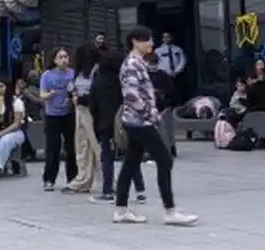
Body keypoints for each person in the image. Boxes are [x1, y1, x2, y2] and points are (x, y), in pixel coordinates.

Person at [115, 26, 197, 226]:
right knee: (164, 160)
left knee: (131, 163)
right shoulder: (133, 64)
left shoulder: (136, 63)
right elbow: (132, 95)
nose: (152, 44)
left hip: (135, 120)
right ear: (135, 41)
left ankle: (121, 209)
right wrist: (150, 114)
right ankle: (170, 211)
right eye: (148, 40)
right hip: (140, 121)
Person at [89, 50, 147, 204]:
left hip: (105, 124)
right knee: (131, 155)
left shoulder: (98, 82)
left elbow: (93, 106)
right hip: (127, 121)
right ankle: (140, 190)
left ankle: (108, 190)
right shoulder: (125, 81)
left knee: (107, 157)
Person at [39, 47, 77, 191]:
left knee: (71, 148)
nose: (64, 60)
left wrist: (72, 97)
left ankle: (72, 177)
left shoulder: (72, 74)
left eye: (66, 56)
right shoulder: (47, 75)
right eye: (60, 57)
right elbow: (42, 95)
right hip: (52, 115)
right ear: (54, 60)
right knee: (53, 148)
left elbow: (75, 92)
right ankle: (49, 179)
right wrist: (51, 94)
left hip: (68, 114)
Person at [65, 43, 101, 194]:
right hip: (79, 111)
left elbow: (97, 94)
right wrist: (72, 94)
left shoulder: (96, 71)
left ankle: (104, 180)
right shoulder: (78, 73)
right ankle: (83, 179)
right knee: (81, 146)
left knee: (95, 146)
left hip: (91, 112)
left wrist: (81, 99)